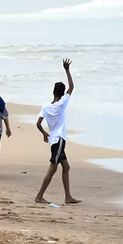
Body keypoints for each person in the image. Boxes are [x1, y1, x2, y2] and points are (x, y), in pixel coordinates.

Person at [35, 59, 80, 205]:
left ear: (53, 92)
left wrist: (44, 133)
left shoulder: (46, 106)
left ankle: (68, 197)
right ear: (62, 94)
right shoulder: (62, 104)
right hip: (59, 139)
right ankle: (39, 196)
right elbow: (72, 87)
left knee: (66, 167)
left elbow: (38, 124)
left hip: (53, 140)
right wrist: (67, 70)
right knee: (53, 167)